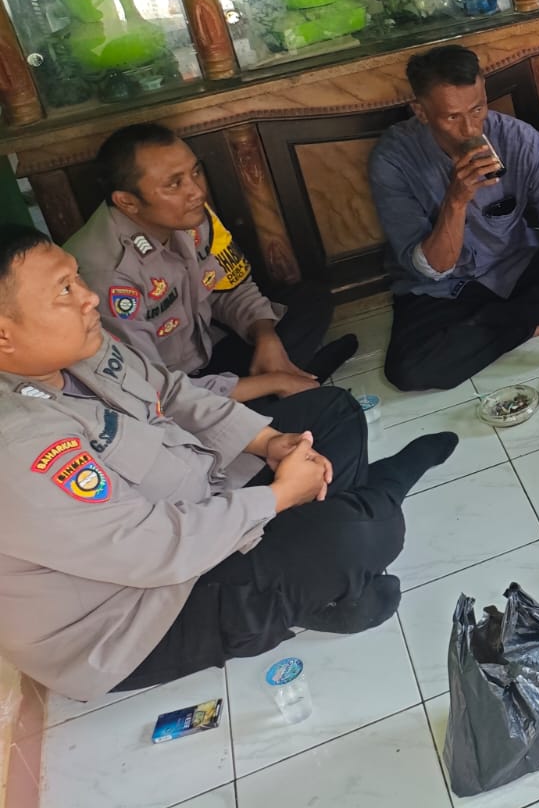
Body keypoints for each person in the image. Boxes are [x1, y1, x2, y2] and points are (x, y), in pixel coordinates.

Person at [0, 226, 458, 700]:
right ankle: (375, 502)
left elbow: (172, 393)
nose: (89, 297)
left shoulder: (80, 348)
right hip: (140, 616)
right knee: (362, 533)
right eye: (64, 290)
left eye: (77, 278)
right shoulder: (15, 443)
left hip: (197, 497)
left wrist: (267, 441)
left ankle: (327, 576)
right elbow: (152, 548)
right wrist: (278, 497)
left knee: (332, 413)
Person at [370, 45, 539, 391]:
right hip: (444, 288)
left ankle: (489, 332)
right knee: (409, 370)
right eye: (452, 117)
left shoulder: (518, 139)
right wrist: (455, 201)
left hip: (513, 265)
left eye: (477, 109)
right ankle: (532, 325)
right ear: (421, 112)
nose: (470, 128)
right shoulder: (393, 159)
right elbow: (433, 267)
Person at [65, 123, 356, 404]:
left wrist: (265, 336)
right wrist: (273, 381)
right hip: (172, 390)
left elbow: (229, 288)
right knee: (324, 411)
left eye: (196, 171)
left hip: (208, 350)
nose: (196, 191)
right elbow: (149, 389)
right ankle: (281, 392)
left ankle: (277, 392)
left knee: (310, 300)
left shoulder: (190, 215)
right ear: (128, 202)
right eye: (174, 184)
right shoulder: (108, 274)